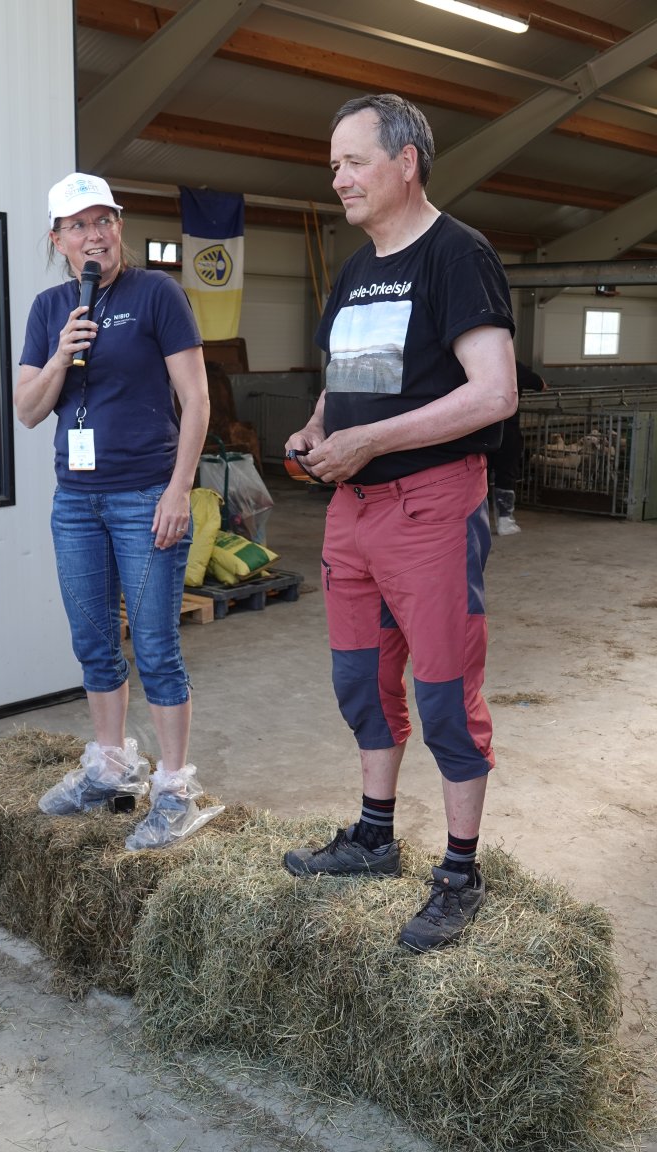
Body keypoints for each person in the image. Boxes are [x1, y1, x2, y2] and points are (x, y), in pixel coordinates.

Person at [282, 95, 517, 952]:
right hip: (353, 512)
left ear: (406, 162)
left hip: (429, 505)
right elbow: (344, 376)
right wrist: (316, 429)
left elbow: (493, 393)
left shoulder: (458, 255)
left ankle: (460, 870)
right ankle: (374, 836)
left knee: (445, 693)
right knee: (360, 681)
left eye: (353, 162)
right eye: (334, 164)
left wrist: (371, 439)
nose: (337, 177)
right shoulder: (354, 268)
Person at [15, 172, 212, 846]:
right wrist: (60, 360)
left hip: (143, 497)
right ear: (57, 238)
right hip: (76, 501)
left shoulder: (157, 294)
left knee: (155, 646)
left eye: (105, 220)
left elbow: (197, 399)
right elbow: (28, 411)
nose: (94, 234)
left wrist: (179, 488)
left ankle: (176, 787)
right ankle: (112, 767)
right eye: (78, 225)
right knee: (94, 641)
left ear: (118, 226)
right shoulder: (49, 311)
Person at [489, 359, 547, 535]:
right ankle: (505, 521)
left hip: (478, 429)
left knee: (478, 474)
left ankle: (475, 521)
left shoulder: (474, 362)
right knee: (506, 471)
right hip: (507, 429)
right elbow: (542, 385)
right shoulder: (512, 365)